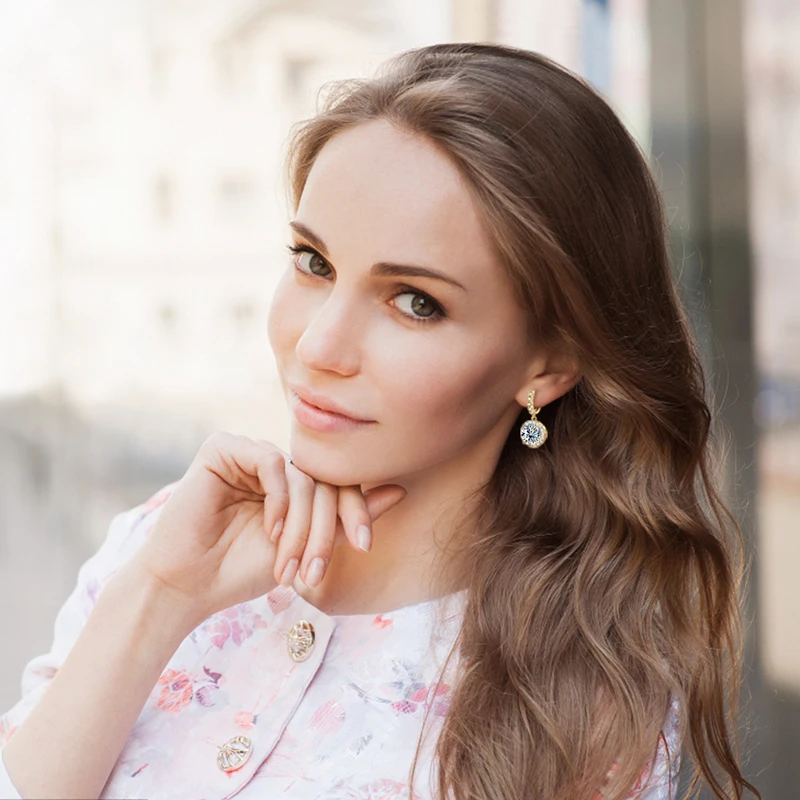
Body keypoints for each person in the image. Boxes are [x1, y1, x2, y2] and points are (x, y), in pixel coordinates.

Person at [0, 42, 758, 800]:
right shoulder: (165, 542)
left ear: (548, 367)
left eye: (415, 302)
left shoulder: (574, 708)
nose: (319, 345)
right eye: (312, 263)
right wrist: (161, 594)